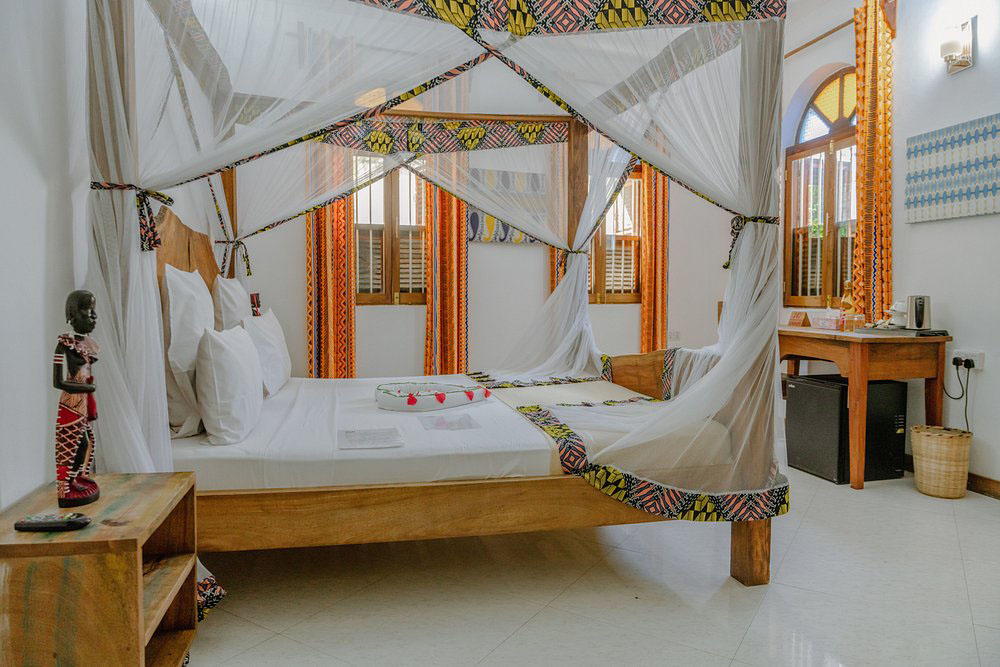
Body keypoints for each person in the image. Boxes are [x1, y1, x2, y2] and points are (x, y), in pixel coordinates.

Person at [52, 290, 101, 507]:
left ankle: (75, 479)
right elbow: (58, 382)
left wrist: (87, 391)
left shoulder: (87, 346)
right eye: (89, 312)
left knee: (86, 442)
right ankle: (66, 485)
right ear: (73, 314)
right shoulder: (64, 345)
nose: (94, 317)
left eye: (94, 312)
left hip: (83, 402)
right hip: (71, 404)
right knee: (72, 444)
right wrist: (86, 387)